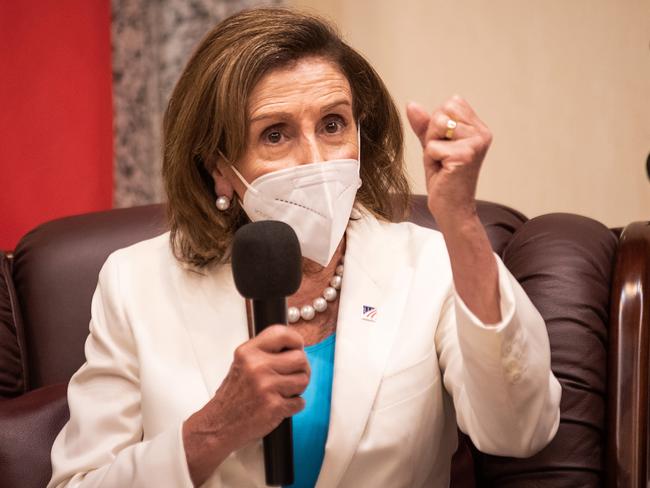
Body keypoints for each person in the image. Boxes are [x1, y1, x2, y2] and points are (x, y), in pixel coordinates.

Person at [48, 7, 561, 488]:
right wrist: (212, 429)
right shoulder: (135, 281)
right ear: (219, 168)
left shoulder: (430, 263)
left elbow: (519, 430)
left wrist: (462, 221)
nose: (315, 160)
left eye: (333, 124)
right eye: (275, 134)